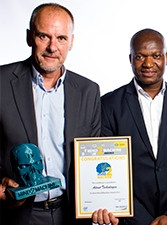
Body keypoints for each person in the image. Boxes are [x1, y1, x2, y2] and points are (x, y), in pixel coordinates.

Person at [0, 3, 116, 225]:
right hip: (16, 215)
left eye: (61, 38)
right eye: (44, 36)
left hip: (71, 215)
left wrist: (105, 200)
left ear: (71, 42)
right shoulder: (2, 82)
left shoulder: (88, 91)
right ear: (29, 37)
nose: (53, 47)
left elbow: (92, 157)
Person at [100, 28, 167, 225]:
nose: (148, 64)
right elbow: (109, 170)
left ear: (166, 57)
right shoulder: (108, 104)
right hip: (129, 220)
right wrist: (139, 220)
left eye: (156, 56)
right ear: (130, 58)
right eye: (140, 56)